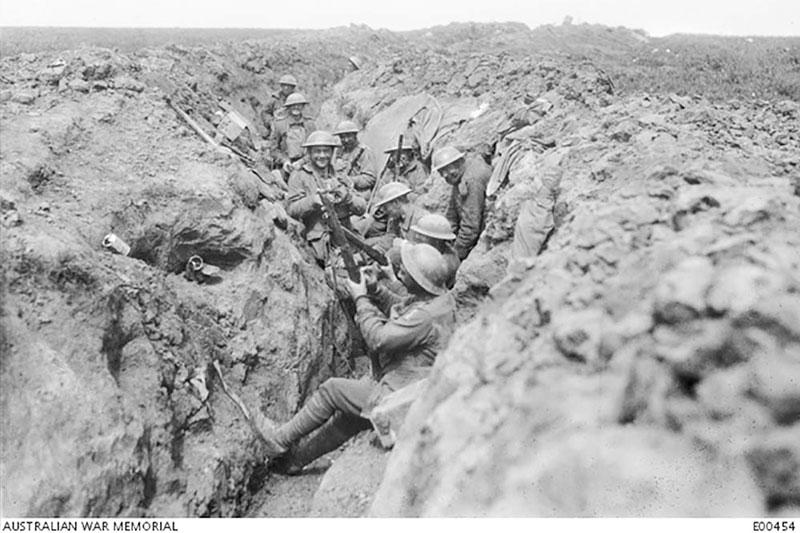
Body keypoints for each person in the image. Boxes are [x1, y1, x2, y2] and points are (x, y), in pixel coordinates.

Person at [259, 242, 456, 474]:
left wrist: (361, 299)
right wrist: (375, 291)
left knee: (332, 390)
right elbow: (404, 311)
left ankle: (279, 440)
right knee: (349, 419)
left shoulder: (426, 315)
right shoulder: (438, 301)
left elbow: (378, 339)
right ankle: (294, 462)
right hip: (413, 386)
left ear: (421, 280)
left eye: (407, 270)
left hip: (404, 397)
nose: (400, 270)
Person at [285, 130, 366, 263]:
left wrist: (348, 197)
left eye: (326, 151)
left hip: (346, 233)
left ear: (332, 153)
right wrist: (313, 201)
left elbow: (361, 207)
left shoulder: (340, 175)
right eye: (317, 151)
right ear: (309, 153)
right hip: (320, 238)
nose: (322, 156)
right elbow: (291, 209)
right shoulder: (299, 176)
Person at [433, 146, 492, 260]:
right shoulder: (461, 173)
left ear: (459, 162)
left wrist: (456, 254)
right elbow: (452, 211)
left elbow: (470, 227)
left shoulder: (471, 180)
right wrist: (441, 236)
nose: (445, 175)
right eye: (441, 171)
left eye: (447, 169)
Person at [363, 182, 428, 254]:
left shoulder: (422, 220)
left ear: (395, 203)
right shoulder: (395, 219)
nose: (384, 211)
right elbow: (389, 239)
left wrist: (404, 244)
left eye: (385, 207)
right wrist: (372, 252)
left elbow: (427, 252)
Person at [270, 92, 316, 180]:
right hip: (286, 165)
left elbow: (315, 148)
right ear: (288, 107)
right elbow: (273, 149)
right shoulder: (279, 124)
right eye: (293, 105)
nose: (296, 107)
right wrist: (284, 161)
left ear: (303, 106)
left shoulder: (310, 124)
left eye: (299, 105)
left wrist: (302, 162)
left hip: (307, 165)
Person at [407, 214, 460, 289]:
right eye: (419, 234)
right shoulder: (438, 250)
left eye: (423, 235)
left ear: (437, 241)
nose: (417, 237)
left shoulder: (444, 264)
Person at [332, 120, 378, 199]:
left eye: (349, 136)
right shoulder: (339, 152)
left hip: (359, 194)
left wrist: (351, 180)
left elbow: (370, 178)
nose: (346, 140)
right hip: (341, 192)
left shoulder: (365, 152)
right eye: (342, 137)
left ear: (355, 135)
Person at [256, 74, 298, 139]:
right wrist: (271, 122)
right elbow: (265, 112)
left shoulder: (297, 99)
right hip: (277, 125)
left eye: (288, 86)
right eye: (284, 85)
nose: (286, 88)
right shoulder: (275, 98)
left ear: (293, 87)